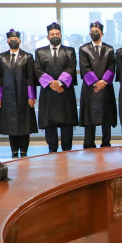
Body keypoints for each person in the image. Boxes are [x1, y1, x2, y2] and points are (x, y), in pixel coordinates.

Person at [34, 22, 78, 153]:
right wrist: (52, 84)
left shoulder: (70, 51)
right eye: (52, 34)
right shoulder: (40, 52)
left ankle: (67, 149)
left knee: (67, 122)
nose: (55, 36)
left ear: (61, 35)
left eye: (57, 34)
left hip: (65, 91)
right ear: (48, 36)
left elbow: (71, 67)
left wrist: (59, 82)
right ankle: (52, 149)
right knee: (50, 122)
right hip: (48, 92)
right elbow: (38, 69)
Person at [0, 29, 38, 158]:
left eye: (16, 39)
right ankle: (14, 150)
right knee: (11, 124)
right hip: (7, 95)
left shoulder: (27, 57)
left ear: (20, 41)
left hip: (24, 95)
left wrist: (31, 96)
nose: (13, 41)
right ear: (7, 42)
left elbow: (31, 77)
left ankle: (23, 150)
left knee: (25, 123)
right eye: (11, 40)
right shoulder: (1, 57)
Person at [79, 21, 117, 148]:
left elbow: (112, 67)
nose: (94, 33)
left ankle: (106, 143)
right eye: (92, 31)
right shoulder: (83, 49)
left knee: (107, 116)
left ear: (102, 33)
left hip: (106, 88)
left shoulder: (109, 49)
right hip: (90, 89)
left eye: (97, 31)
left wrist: (103, 82)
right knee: (90, 117)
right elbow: (85, 68)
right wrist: (96, 82)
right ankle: (89, 143)